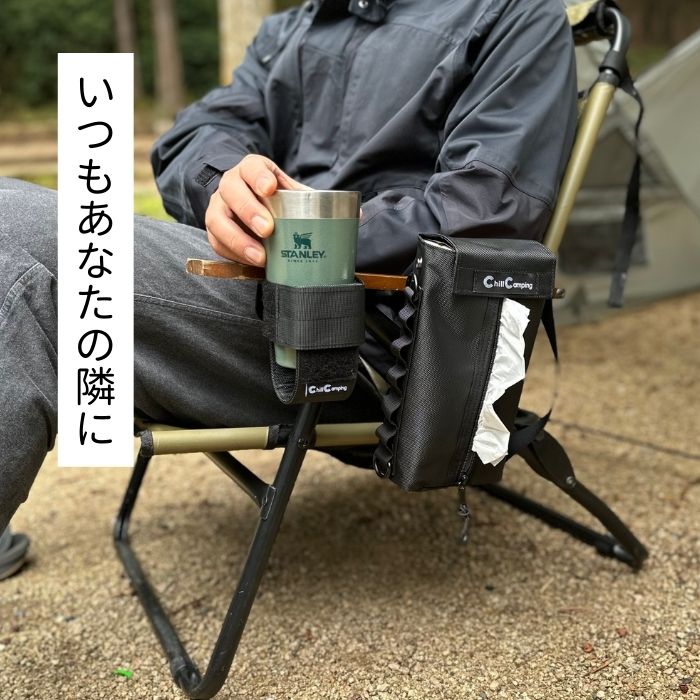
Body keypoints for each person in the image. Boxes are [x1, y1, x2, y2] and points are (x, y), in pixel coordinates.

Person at [0, 0, 577, 578]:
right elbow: (196, 133)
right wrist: (225, 183)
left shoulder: (515, 13)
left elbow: (488, 207)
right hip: (262, 297)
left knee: (16, 233)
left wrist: (313, 236)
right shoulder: (293, 27)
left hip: (377, 346)